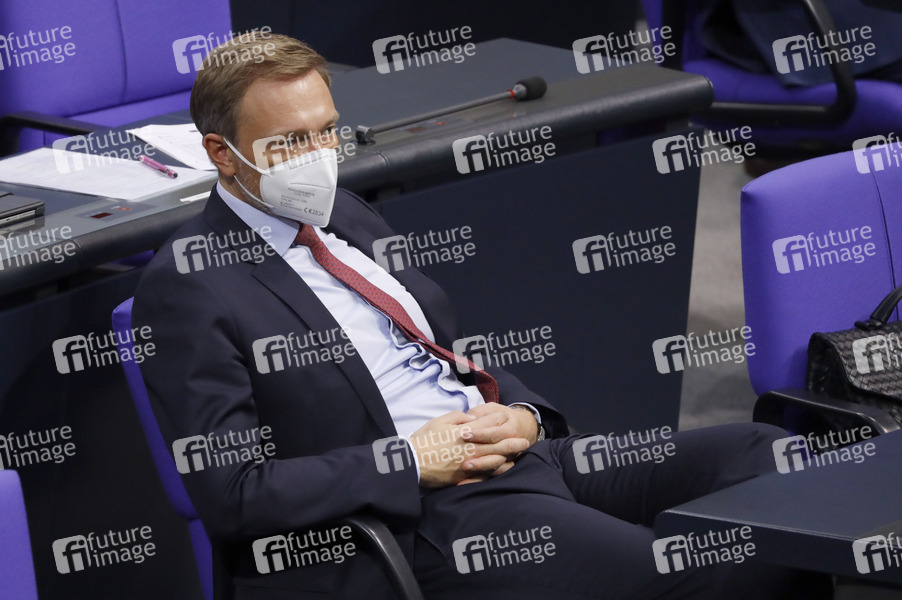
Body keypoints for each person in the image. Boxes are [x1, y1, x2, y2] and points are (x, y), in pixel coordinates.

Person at [132, 33, 831, 600]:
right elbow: (233, 494)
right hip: (424, 514)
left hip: (521, 453)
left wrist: (525, 416)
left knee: (772, 460)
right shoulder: (189, 288)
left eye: (327, 133)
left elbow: (442, 350)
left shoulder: (344, 213)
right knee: (695, 571)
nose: (318, 160)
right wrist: (412, 460)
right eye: (289, 143)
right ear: (222, 154)